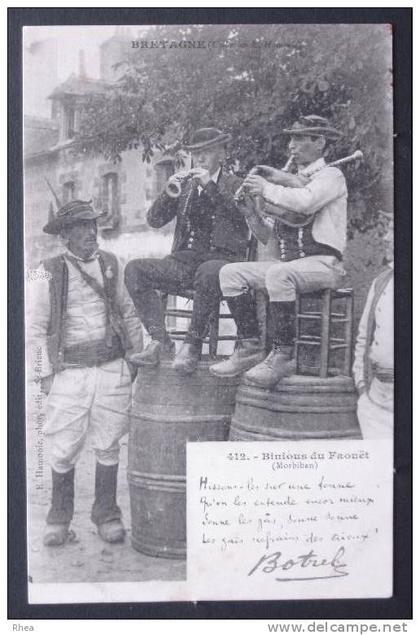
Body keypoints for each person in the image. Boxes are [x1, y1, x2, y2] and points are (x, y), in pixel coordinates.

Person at [27, 199, 143, 547]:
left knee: (109, 444)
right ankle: (58, 519)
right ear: (64, 236)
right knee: (63, 447)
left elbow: (129, 312)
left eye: (92, 225)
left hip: (111, 368)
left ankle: (107, 516)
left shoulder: (113, 263)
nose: (91, 232)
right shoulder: (42, 270)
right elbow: (33, 327)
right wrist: (44, 375)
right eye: (81, 227)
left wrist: (134, 359)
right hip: (69, 372)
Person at [210, 115, 347, 388]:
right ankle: (250, 348)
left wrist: (267, 187)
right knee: (230, 273)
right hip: (291, 268)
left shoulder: (331, 176)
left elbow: (306, 202)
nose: (291, 146)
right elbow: (268, 237)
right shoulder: (290, 183)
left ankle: (283, 355)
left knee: (278, 274)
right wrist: (251, 214)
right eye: (291, 139)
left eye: (299, 139)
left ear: (320, 142)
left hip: (325, 265)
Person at [124, 127, 248, 375]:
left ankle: (192, 345)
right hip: (184, 263)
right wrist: (168, 193)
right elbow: (154, 220)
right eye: (196, 153)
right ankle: (160, 341)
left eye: (207, 152)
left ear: (222, 154)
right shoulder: (188, 186)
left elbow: (241, 218)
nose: (199, 158)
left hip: (223, 263)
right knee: (134, 269)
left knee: (208, 271)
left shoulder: (236, 184)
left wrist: (210, 186)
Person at [352, 211, 394, 438]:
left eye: (393, 231)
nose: (386, 238)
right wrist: (361, 387)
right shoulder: (381, 282)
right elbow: (363, 337)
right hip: (376, 401)